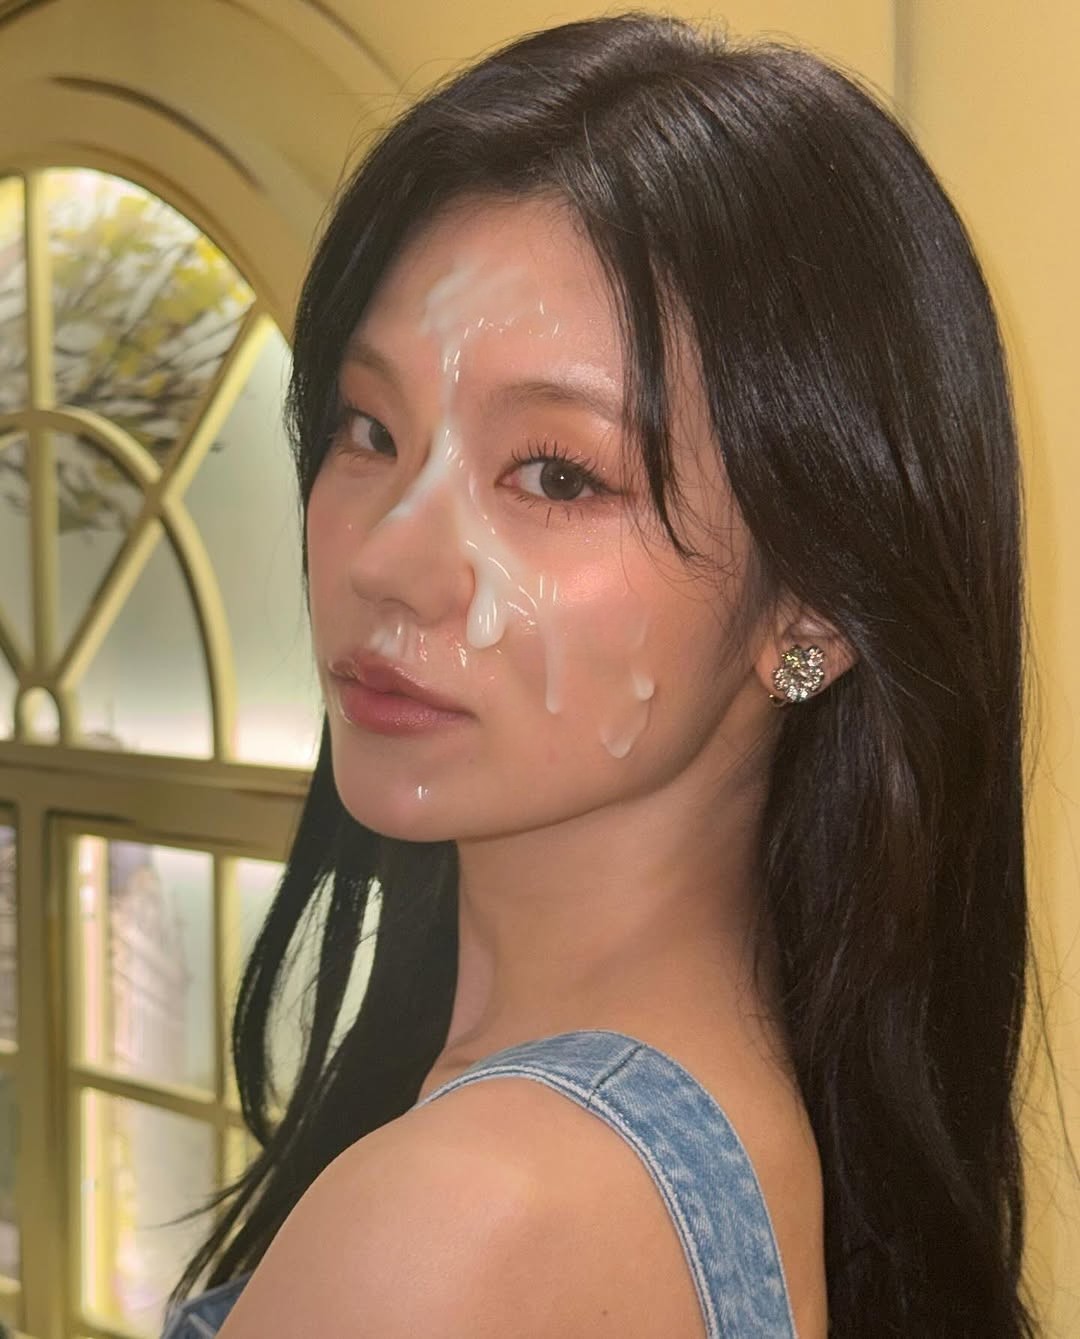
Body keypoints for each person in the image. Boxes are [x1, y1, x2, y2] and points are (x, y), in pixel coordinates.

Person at [164, 12, 1034, 1337]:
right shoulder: (744, 1120)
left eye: (558, 476)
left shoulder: (468, 1226)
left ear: (812, 601)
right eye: (367, 427)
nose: (388, 560)